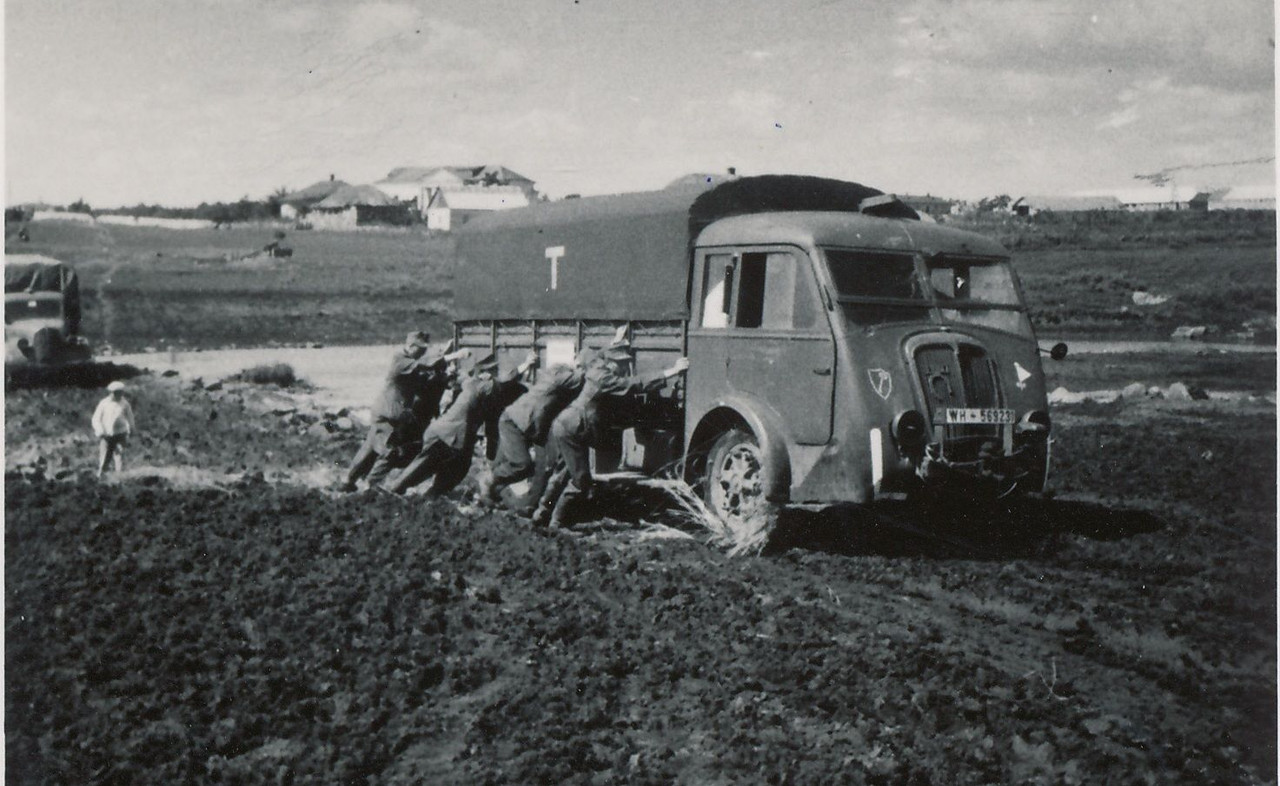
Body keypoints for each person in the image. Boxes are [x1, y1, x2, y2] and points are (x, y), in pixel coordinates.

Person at [532, 343, 689, 529]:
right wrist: (671, 372)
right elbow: (631, 385)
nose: (624, 368)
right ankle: (558, 524)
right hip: (573, 429)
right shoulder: (603, 378)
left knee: (562, 474)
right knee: (581, 481)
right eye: (622, 364)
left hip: (570, 427)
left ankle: (541, 514)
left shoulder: (598, 371)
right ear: (611, 363)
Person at [383, 351, 537, 497]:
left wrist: (491, 458)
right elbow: (502, 382)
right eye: (492, 373)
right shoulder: (479, 385)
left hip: (457, 438)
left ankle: (432, 496)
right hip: (446, 434)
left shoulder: (481, 392)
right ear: (485, 375)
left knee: (459, 468)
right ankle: (391, 492)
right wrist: (525, 365)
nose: (493, 377)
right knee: (420, 468)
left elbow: (491, 427)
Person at [337, 332, 467, 492]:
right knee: (389, 451)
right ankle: (370, 486)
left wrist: (445, 360)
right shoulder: (400, 359)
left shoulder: (410, 362)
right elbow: (424, 365)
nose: (423, 352)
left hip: (387, 414)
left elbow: (426, 374)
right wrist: (455, 356)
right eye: (420, 349)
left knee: (371, 448)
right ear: (411, 346)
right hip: (387, 414)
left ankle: (349, 481)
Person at [478, 356, 588, 512]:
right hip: (516, 422)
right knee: (522, 465)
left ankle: (524, 502)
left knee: (541, 468)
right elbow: (586, 378)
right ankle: (488, 481)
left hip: (534, 427)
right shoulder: (564, 377)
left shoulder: (560, 375)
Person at [92, 380, 136, 477]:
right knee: (105, 456)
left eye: (119, 393)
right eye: (114, 393)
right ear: (110, 392)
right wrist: (100, 430)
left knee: (119, 455)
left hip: (121, 433)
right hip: (106, 434)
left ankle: (119, 476)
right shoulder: (104, 403)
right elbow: (96, 418)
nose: (116, 395)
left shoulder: (125, 404)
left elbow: (130, 417)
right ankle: (101, 475)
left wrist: (132, 429)